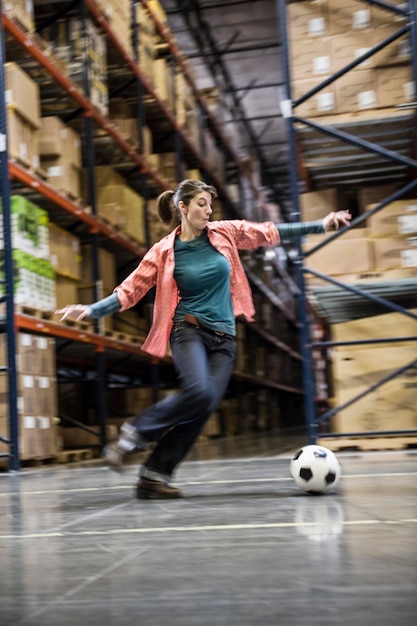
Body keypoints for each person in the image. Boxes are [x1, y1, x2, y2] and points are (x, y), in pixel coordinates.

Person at [55, 179, 351, 499]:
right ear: (182, 207)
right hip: (189, 330)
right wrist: (92, 309)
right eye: (201, 204)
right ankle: (135, 433)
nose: (208, 210)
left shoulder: (224, 232)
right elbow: (131, 290)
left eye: (210, 204)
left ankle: (154, 476)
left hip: (224, 338)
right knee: (198, 391)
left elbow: (267, 231)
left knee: (203, 405)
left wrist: (319, 225)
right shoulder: (164, 252)